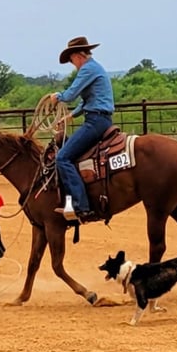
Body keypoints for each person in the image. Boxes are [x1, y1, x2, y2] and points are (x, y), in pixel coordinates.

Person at [49, 36, 115, 222]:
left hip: (95, 121)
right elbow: (87, 100)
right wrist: (71, 116)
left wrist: (57, 96)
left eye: (72, 61)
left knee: (63, 157)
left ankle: (80, 206)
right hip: (100, 118)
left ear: (78, 56)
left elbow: (70, 94)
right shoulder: (95, 68)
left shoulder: (87, 69)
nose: (73, 64)